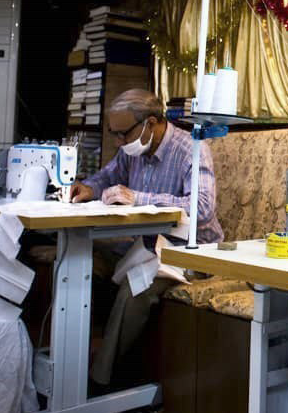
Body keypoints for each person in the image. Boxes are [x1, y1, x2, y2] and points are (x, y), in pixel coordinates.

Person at [70, 89, 223, 386]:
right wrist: (88, 188)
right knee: (80, 261)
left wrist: (138, 198)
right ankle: (72, 361)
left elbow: (203, 208)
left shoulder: (192, 148)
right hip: (144, 244)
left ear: (150, 123)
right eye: (114, 134)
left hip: (190, 251)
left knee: (135, 289)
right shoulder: (134, 149)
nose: (118, 142)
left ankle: (99, 383)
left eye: (123, 134)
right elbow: (108, 176)